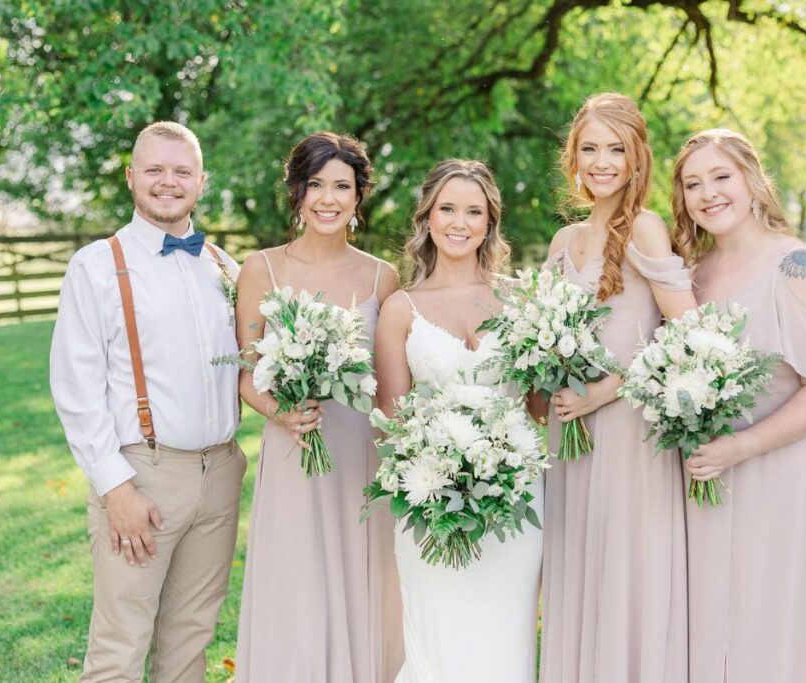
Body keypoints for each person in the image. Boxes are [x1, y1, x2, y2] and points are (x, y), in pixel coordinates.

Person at [671, 127, 806, 682]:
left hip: (790, 472)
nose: (708, 193)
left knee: (784, 619)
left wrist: (742, 446)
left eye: (721, 177)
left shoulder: (798, 266)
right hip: (718, 474)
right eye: (693, 184)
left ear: (752, 181)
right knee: (728, 623)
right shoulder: (692, 275)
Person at [50, 121, 245, 682]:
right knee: (119, 645)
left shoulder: (223, 267)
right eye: (155, 170)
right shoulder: (97, 266)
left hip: (221, 472)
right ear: (132, 177)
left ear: (201, 181)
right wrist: (115, 487)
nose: (168, 182)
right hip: (143, 476)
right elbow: (76, 390)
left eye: (181, 171)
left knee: (190, 639)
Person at [233, 132, 403, 682]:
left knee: (364, 577)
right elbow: (245, 371)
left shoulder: (383, 276)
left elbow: (389, 385)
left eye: (342, 187)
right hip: (294, 448)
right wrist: (279, 412)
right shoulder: (262, 269)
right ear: (297, 193)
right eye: (316, 185)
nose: (328, 199)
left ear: (358, 198)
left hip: (361, 455)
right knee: (297, 579)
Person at [538, 92, 695, 682]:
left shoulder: (647, 228)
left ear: (636, 159)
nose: (601, 161)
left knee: (626, 567)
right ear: (572, 159)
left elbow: (687, 336)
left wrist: (605, 391)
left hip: (629, 426)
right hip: (568, 430)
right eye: (589, 148)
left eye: (615, 149)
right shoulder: (562, 243)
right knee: (578, 566)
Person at [375, 159, 542, 682]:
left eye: (474, 211)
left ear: (490, 222)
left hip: (517, 500)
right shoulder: (401, 308)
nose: (459, 222)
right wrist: (444, 468)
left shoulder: (521, 301)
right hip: (430, 503)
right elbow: (391, 420)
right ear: (426, 217)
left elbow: (537, 409)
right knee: (438, 639)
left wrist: (500, 463)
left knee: (505, 637)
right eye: (447, 208)